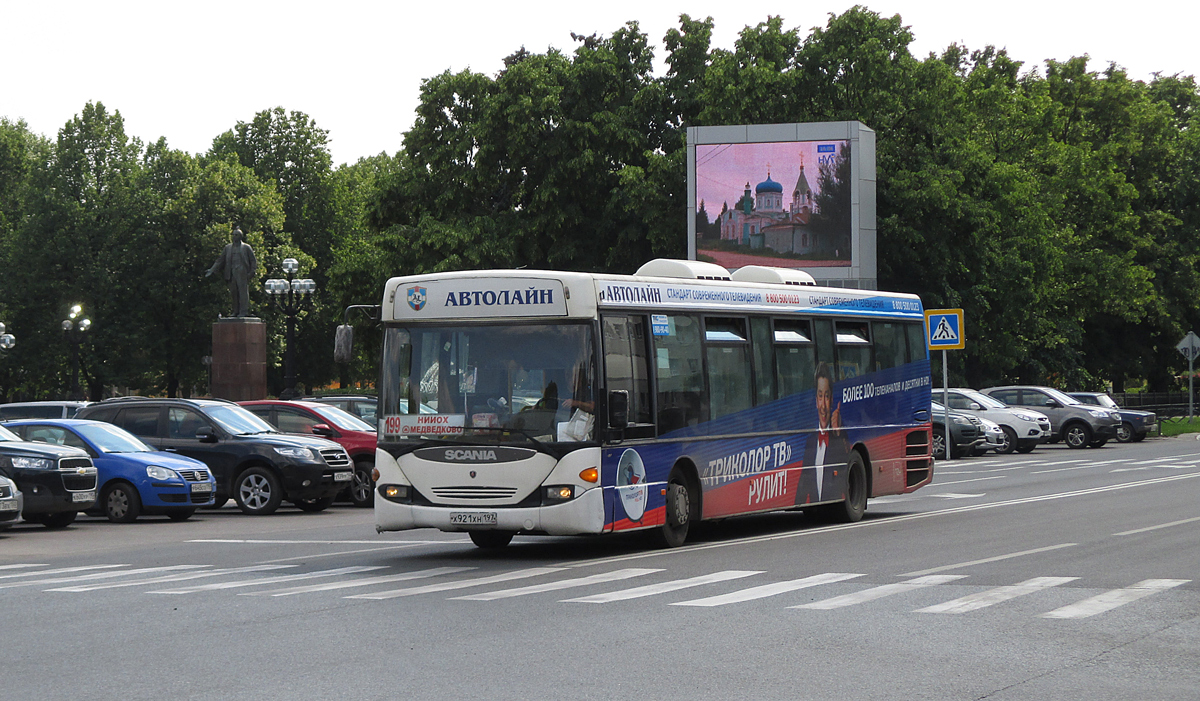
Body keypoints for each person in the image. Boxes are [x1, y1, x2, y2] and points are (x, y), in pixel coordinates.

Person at [797, 361, 849, 504]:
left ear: (832, 400)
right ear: (815, 401)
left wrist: (839, 433)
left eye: (826, 396)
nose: (823, 406)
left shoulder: (838, 435)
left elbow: (846, 470)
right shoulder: (810, 442)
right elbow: (803, 486)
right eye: (820, 396)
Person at [205, 226, 257, 318]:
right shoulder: (228, 248)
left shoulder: (246, 247)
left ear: (240, 236)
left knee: (243, 293)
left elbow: (253, 260)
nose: (234, 236)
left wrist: (252, 272)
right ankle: (235, 311)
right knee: (234, 293)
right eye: (233, 235)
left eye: (236, 235)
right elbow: (220, 260)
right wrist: (211, 270)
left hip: (242, 272)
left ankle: (243, 312)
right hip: (231, 272)